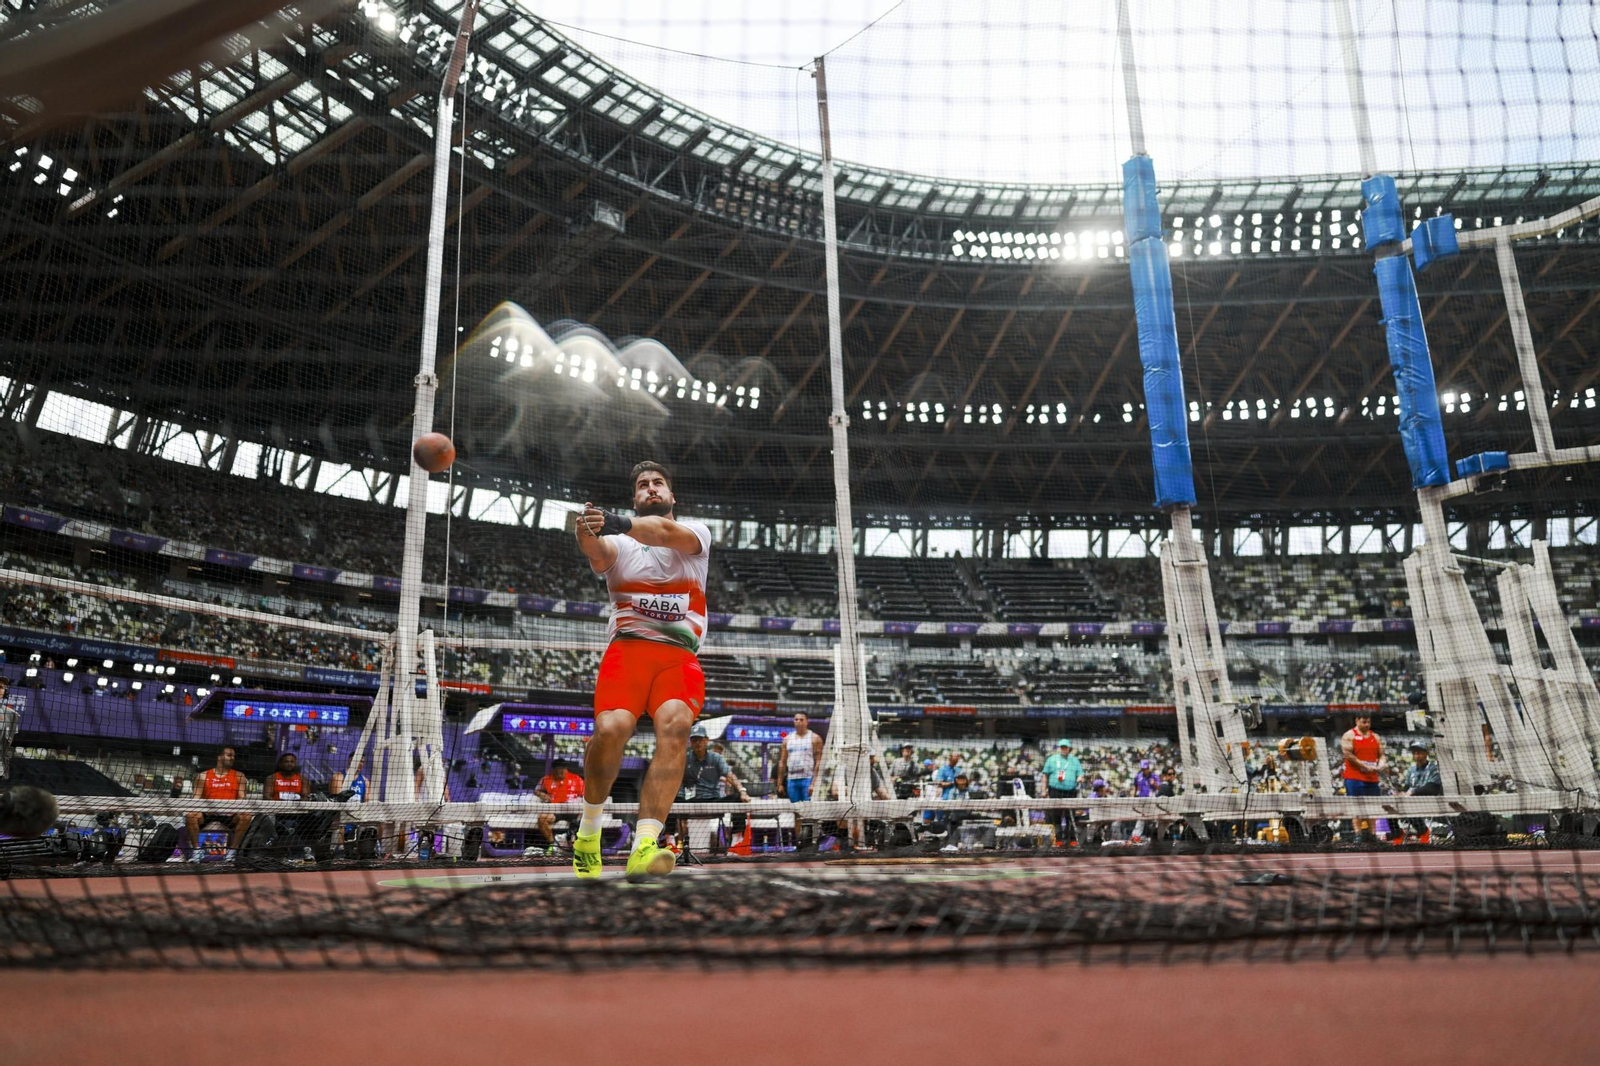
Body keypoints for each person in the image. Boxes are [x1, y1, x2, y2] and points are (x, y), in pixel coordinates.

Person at [571, 460, 713, 881]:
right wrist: (587, 533)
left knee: (677, 725)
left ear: (672, 496)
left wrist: (616, 521)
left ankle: (645, 844)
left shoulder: (697, 535)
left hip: (677, 656)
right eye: (642, 485)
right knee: (612, 729)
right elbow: (598, 550)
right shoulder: (620, 543)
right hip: (628, 653)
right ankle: (588, 832)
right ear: (635, 497)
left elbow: (665, 533)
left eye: (658, 483)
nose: (651, 488)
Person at [679, 724, 747, 854]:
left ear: (706, 740)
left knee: (738, 798)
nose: (697, 742)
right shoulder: (684, 759)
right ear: (690, 742)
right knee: (670, 803)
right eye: (694, 740)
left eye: (700, 739)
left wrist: (742, 791)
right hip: (691, 802)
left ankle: (736, 842)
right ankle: (671, 842)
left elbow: (730, 776)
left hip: (713, 801)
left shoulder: (716, 758)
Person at [186, 746, 252, 860]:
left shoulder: (239, 776)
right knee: (190, 815)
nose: (232, 758)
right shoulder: (203, 776)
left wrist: (234, 809)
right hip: (208, 814)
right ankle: (197, 852)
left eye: (234, 756)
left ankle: (232, 852)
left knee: (247, 816)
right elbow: (196, 798)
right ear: (219, 757)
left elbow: (242, 798)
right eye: (229, 755)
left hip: (229, 816)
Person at [1341, 713, 1387, 838]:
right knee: (1356, 806)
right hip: (1355, 777)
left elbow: (1381, 754)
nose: (1366, 725)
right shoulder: (1349, 735)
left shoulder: (1375, 737)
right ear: (1357, 721)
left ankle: (1372, 834)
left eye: (1368, 722)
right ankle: (1358, 834)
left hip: (1372, 778)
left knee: (1373, 806)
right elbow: (1348, 755)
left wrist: (1381, 764)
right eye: (1363, 722)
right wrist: (1365, 766)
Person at [1396, 740, 1442, 843]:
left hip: (1429, 801)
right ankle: (1396, 834)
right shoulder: (1411, 770)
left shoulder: (1433, 768)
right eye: (1414, 751)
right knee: (1390, 806)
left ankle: (1423, 832)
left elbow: (1433, 788)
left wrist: (1413, 792)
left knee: (1410, 806)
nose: (1416, 753)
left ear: (1426, 753)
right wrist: (1402, 793)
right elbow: (1407, 786)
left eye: (1419, 751)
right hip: (1412, 800)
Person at [535, 759, 585, 849]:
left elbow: (585, 796)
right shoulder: (546, 779)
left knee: (583, 819)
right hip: (556, 809)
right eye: (558, 769)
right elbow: (536, 790)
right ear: (553, 770)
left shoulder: (576, 779)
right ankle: (553, 844)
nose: (561, 772)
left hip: (572, 810)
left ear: (566, 769)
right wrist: (542, 794)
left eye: (563, 769)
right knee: (542, 819)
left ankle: (575, 842)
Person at [774, 711, 824, 802]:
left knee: (808, 809)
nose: (798, 722)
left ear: (807, 722)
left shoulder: (815, 738)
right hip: (792, 780)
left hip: (808, 778)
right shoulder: (787, 739)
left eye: (801, 719)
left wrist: (814, 783)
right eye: (796, 719)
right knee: (795, 809)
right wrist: (780, 784)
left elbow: (819, 762)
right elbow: (782, 762)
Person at [1042, 739, 1082, 843]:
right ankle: (1058, 839)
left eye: (1066, 747)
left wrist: (1080, 778)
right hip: (1055, 791)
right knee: (1056, 816)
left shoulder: (1074, 760)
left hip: (1070, 791)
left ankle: (1071, 839)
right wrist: (1043, 790)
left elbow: (1080, 773)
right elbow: (1045, 775)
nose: (1064, 749)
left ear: (1069, 748)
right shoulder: (1052, 759)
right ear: (1060, 748)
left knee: (1071, 816)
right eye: (1062, 747)